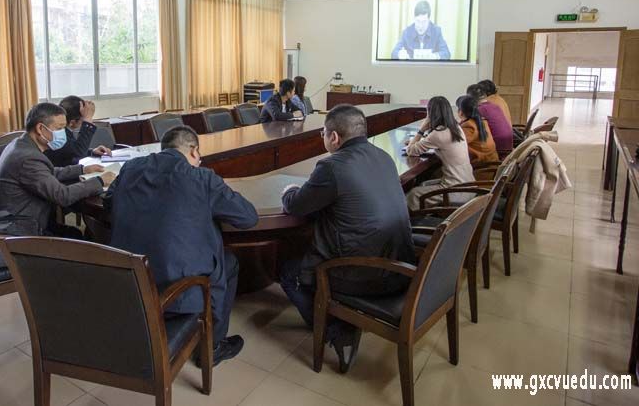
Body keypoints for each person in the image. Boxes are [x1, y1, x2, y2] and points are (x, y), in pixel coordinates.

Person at [278, 105, 417, 373]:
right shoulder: (383, 156)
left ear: (334, 137)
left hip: (367, 274)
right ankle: (337, 314)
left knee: (288, 272)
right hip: (401, 264)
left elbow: (296, 206)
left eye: (323, 133)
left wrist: (289, 191)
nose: (323, 137)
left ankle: (335, 329)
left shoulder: (332, 166)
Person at [105, 126, 259, 366]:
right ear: (194, 151)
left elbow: (108, 202)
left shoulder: (130, 168)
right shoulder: (202, 178)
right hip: (176, 288)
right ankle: (212, 346)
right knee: (229, 263)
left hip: (130, 279)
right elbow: (248, 217)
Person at [0, 102, 115, 237]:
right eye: (59, 128)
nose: (64, 133)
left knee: (76, 234)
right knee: (80, 237)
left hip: (21, 222)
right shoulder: (28, 158)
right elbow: (63, 196)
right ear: (40, 128)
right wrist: (100, 181)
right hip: (20, 233)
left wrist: (82, 169)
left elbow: (47, 172)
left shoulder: (21, 144)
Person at [405, 96, 474, 210]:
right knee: (423, 184)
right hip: (468, 184)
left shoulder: (438, 134)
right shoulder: (456, 127)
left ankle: (416, 219)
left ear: (430, 114)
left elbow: (410, 151)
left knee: (413, 194)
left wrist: (421, 130)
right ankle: (426, 213)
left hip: (456, 190)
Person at [44, 95, 112, 167]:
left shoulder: (66, 131)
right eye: (83, 120)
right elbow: (78, 153)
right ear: (72, 122)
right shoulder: (58, 134)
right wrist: (87, 120)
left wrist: (92, 151)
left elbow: (70, 151)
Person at [467, 84, 513, 153]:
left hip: (498, 149)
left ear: (470, 99)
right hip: (508, 145)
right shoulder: (495, 106)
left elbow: (469, 126)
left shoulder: (480, 109)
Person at [456, 94, 499, 164]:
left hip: (481, 166)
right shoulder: (482, 121)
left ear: (460, 112)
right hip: (491, 161)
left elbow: (456, 144)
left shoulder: (469, 126)